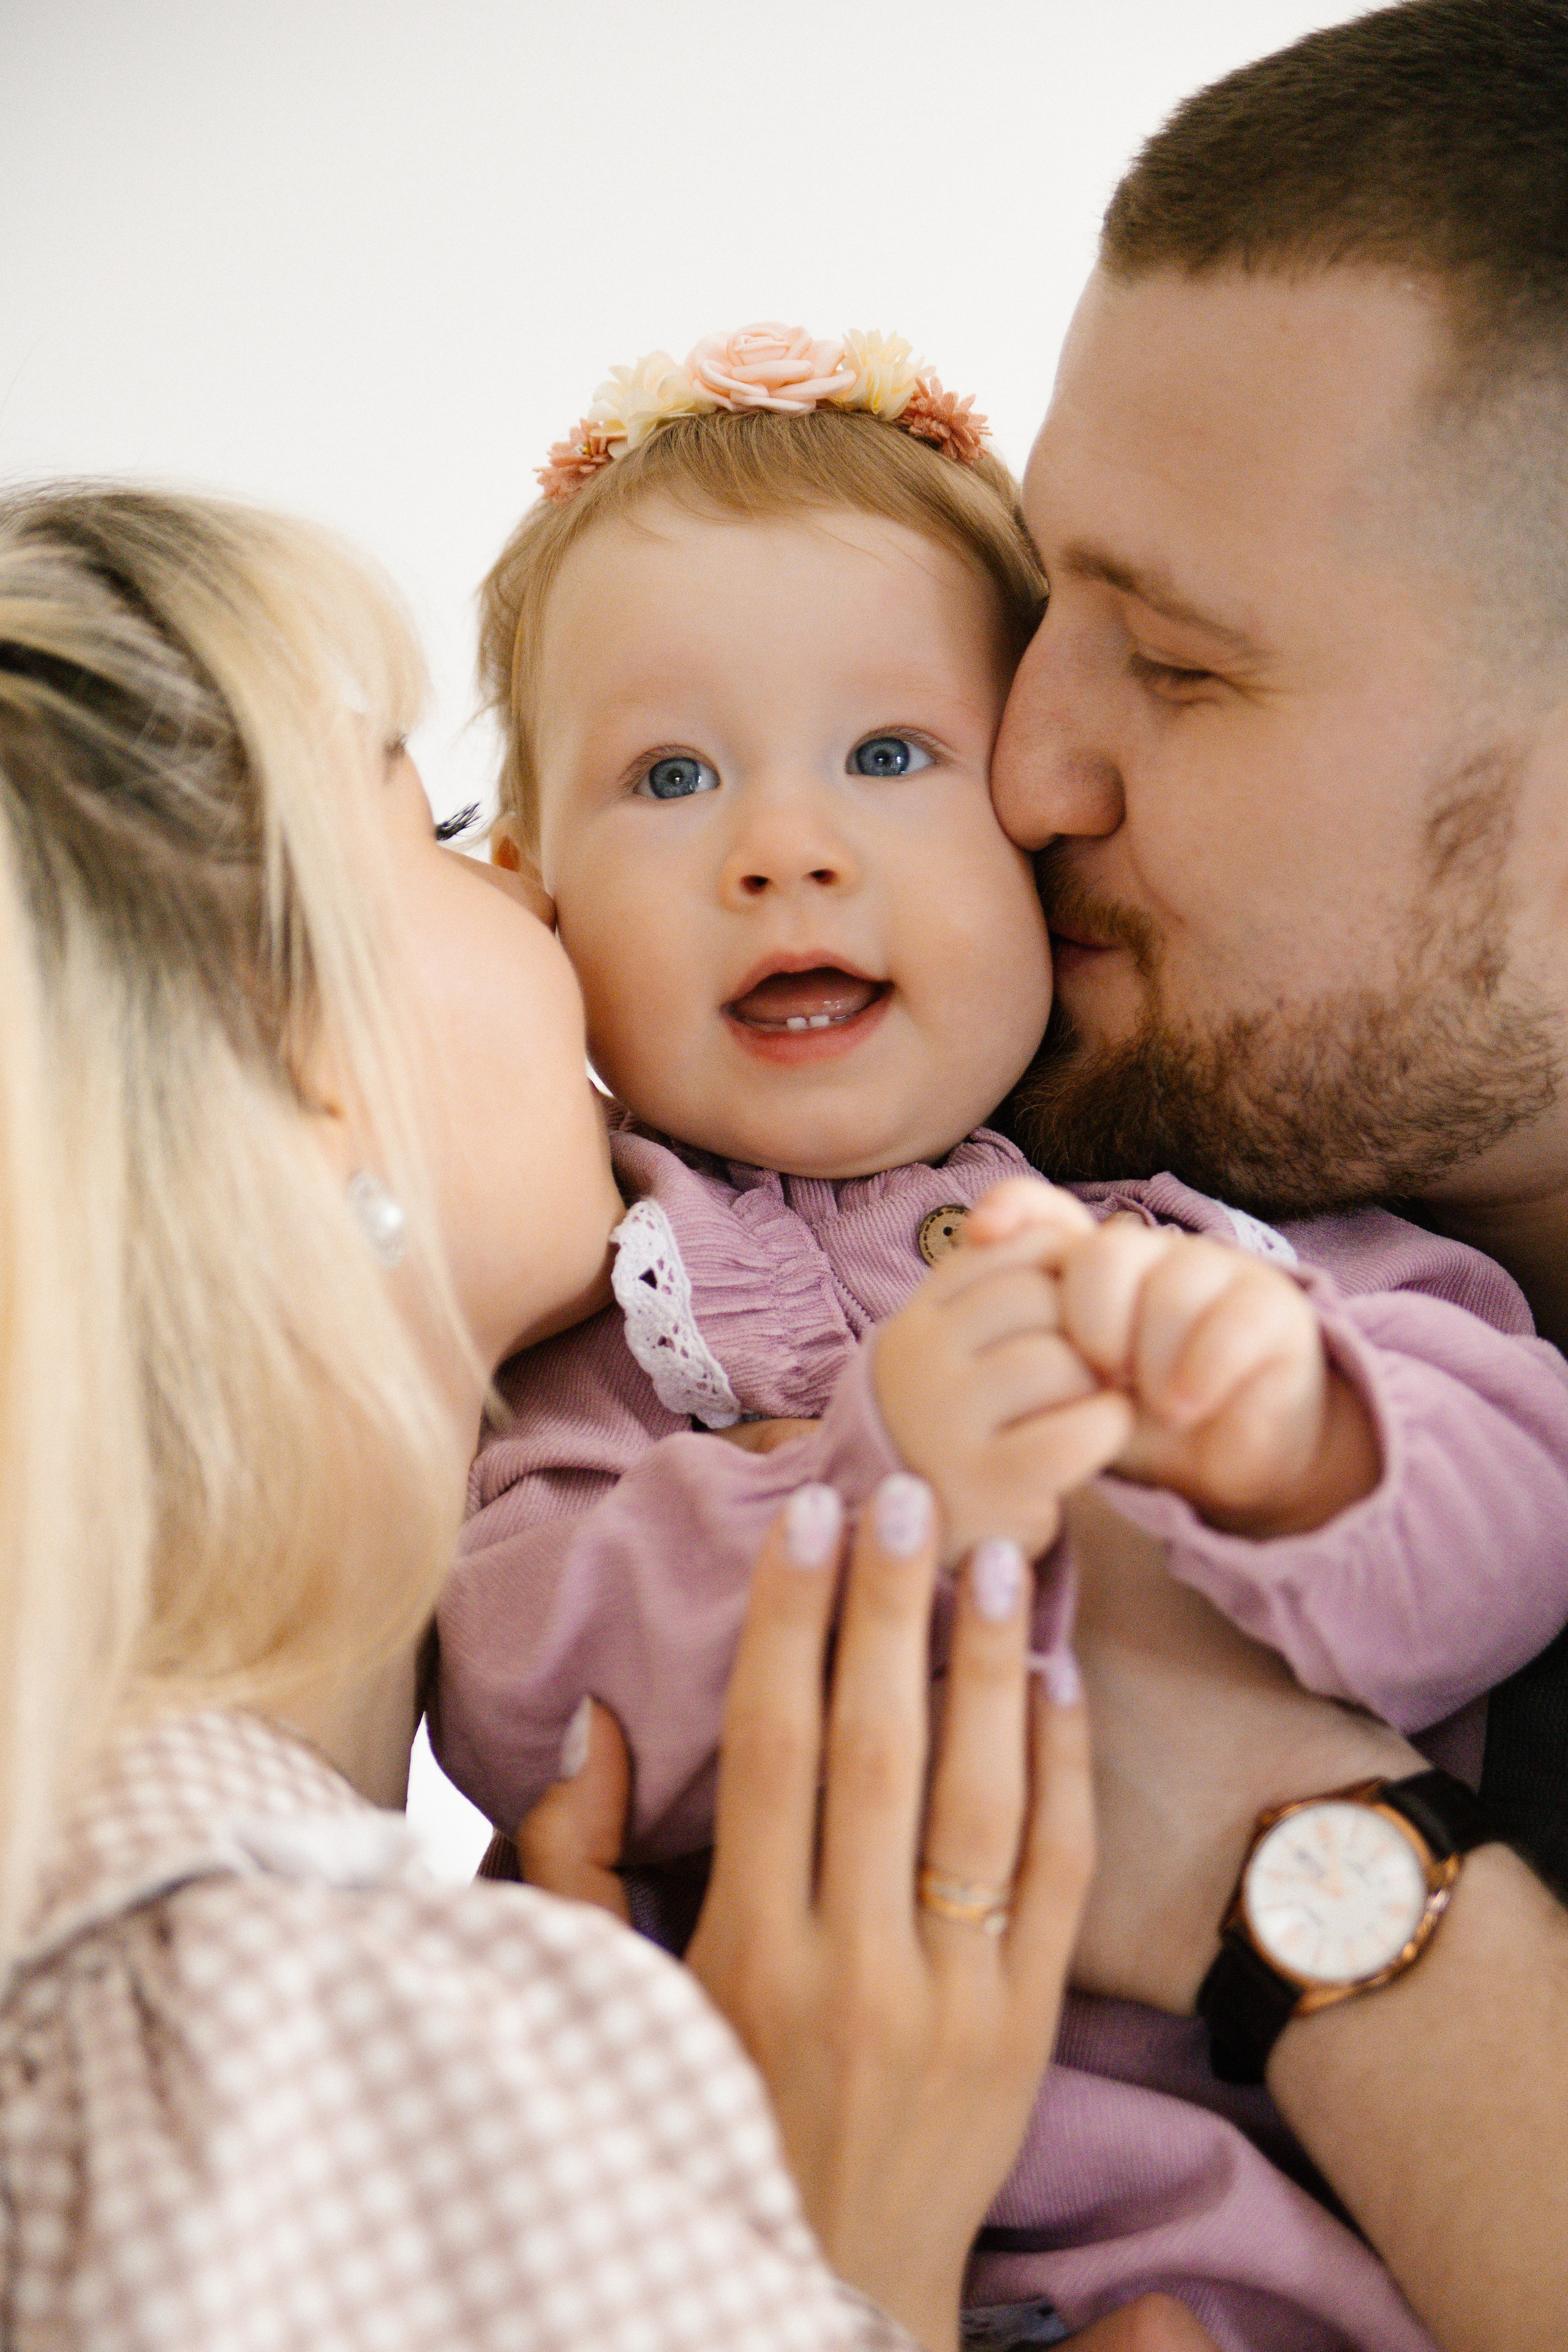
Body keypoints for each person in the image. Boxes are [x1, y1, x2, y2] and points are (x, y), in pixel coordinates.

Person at [434, 319, 1568, 2347]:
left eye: (892, 756)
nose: (786, 846)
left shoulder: (1227, 1225)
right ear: (530, 900)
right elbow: (528, 1704)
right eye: (672, 776)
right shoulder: (602, 1332)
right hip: (806, 2238)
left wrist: (1296, 1443)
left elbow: (1518, 1510)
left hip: (1301, 2228)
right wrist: (884, 1483)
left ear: (1038, 825)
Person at [0, 480, 1198, 2352]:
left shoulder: (258, 1968)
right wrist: (843, 2262)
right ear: (307, 1048)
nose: (531, 897)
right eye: (448, 833)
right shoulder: (240, 2014)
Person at [975, 0, 1568, 2345]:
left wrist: (1261, 1846)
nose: (1025, 769)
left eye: (1184, 672)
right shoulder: (990, 1193)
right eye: (1046, 600)